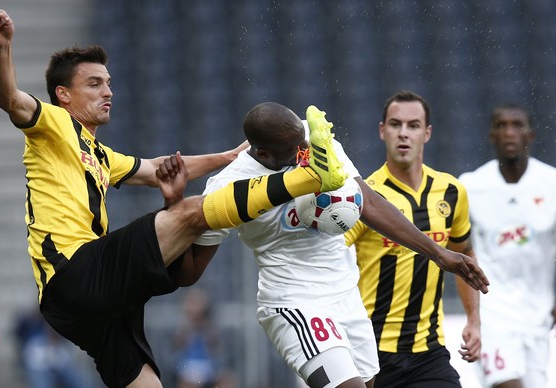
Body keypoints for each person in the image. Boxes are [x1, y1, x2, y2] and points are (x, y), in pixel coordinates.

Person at [0, 9, 356, 388]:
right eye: (94, 84)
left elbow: (157, 168)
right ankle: (310, 177)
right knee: (193, 212)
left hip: (87, 300)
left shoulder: (98, 154)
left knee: (145, 383)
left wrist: (229, 157)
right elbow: (12, 100)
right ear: (63, 94)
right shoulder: (53, 123)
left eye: (108, 83)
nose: (108, 91)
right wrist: (3, 48)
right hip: (75, 270)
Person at [192, 101, 489, 388]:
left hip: (347, 298)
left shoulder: (316, 139)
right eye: (293, 151)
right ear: (264, 153)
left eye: (303, 143)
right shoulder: (227, 188)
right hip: (294, 301)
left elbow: (369, 203)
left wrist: (439, 254)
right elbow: (189, 272)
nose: (304, 153)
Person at [344, 90, 481, 388]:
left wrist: (473, 319)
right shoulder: (365, 197)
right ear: (382, 131)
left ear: (427, 133)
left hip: (428, 353)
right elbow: (329, 257)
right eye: (395, 124)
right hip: (370, 351)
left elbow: (464, 253)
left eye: (413, 125)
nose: (403, 133)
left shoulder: (451, 191)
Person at [459, 103, 556, 388]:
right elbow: (460, 248)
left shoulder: (552, 183)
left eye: (517, 125)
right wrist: (472, 316)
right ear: (491, 135)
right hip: (493, 313)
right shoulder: (471, 186)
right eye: (502, 126)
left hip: (538, 317)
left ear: (531, 135)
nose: (509, 133)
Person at [170, 288, 236, 388]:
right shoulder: (181, 328)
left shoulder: (211, 328)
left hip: (208, 367)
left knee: (227, 381)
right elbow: (174, 356)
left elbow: (218, 354)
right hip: (187, 368)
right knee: (187, 383)